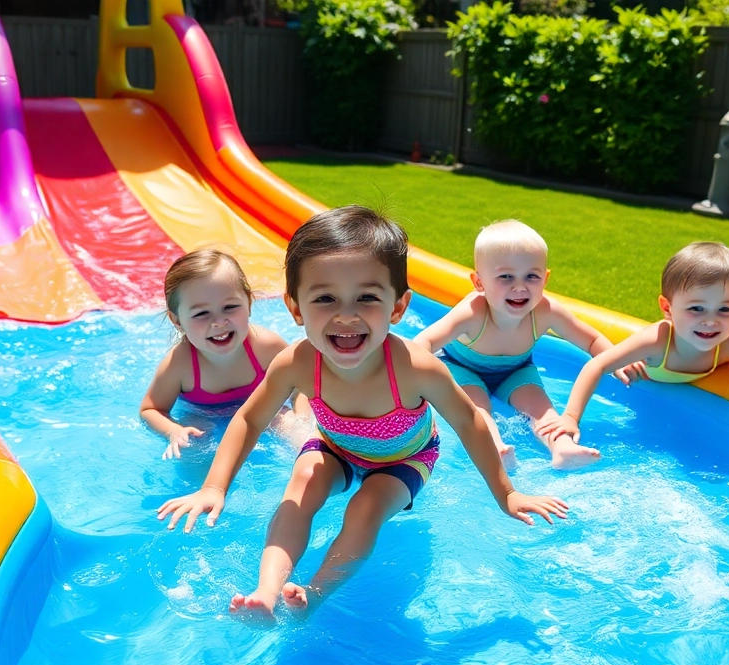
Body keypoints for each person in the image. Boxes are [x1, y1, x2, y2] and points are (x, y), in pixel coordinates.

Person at [157, 206, 568, 618]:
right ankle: (266, 592)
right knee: (301, 483)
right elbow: (249, 418)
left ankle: (315, 593)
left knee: (365, 507)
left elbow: (468, 421)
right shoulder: (296, 362)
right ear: (295, 307)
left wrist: (507, 493)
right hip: (335, 445)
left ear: (398, 306)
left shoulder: (415, 367)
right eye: (324, 298)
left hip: (403, 458)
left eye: (367, 297)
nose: (346, 315)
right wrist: (214, 487)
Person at [536, 241, 729, 451]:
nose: (710, 321)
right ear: (667, 308)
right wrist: (571, 418)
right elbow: (597, 365)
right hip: (645, 381)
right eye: (696, 309)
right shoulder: (657, 340)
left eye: (724, 310)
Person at [414, 219, 641, 470]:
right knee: (477, 408)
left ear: (545, 278)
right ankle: (493, 447)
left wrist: (616, 358)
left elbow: (591, 339)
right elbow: (425, 341)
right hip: (462, 367)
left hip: (516, 370)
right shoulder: (472, 312)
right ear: (479, 282)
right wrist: (419, 377)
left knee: (542, 410)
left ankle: (563, 449)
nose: (519, 287)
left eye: (531, 276)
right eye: (506, 277)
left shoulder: (546, 311)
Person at [139, 248, 297, 459]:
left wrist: (302, 417)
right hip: (201, 417)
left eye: (230, 307)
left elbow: (301, 385)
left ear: (249, 304)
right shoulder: (179, 365)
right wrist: (173, 430)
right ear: (177, 321)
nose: (219, 322)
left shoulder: (266, 346)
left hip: (261, 409)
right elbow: (150, 410)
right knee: (192, 443)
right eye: (202, 313)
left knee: (289, 423)